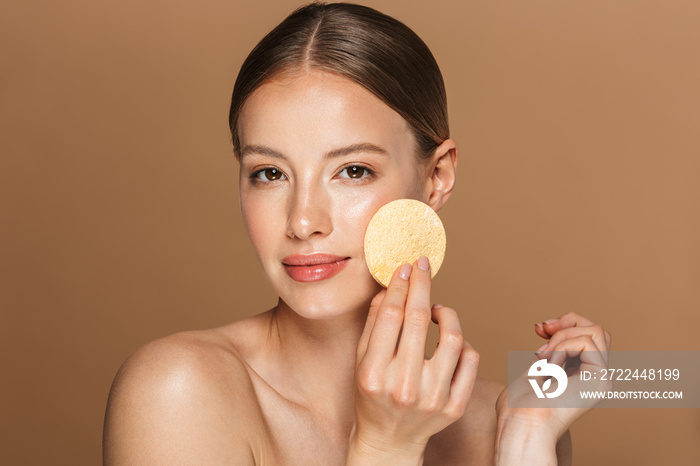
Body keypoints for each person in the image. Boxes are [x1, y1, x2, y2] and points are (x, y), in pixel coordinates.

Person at [103, 2, 611, 464]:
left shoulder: (495, 423)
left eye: (352, 171)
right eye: (270, 173)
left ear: (437, 177)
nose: (303, 222)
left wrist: (526, 441)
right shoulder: (177, 393)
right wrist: (385, 447)